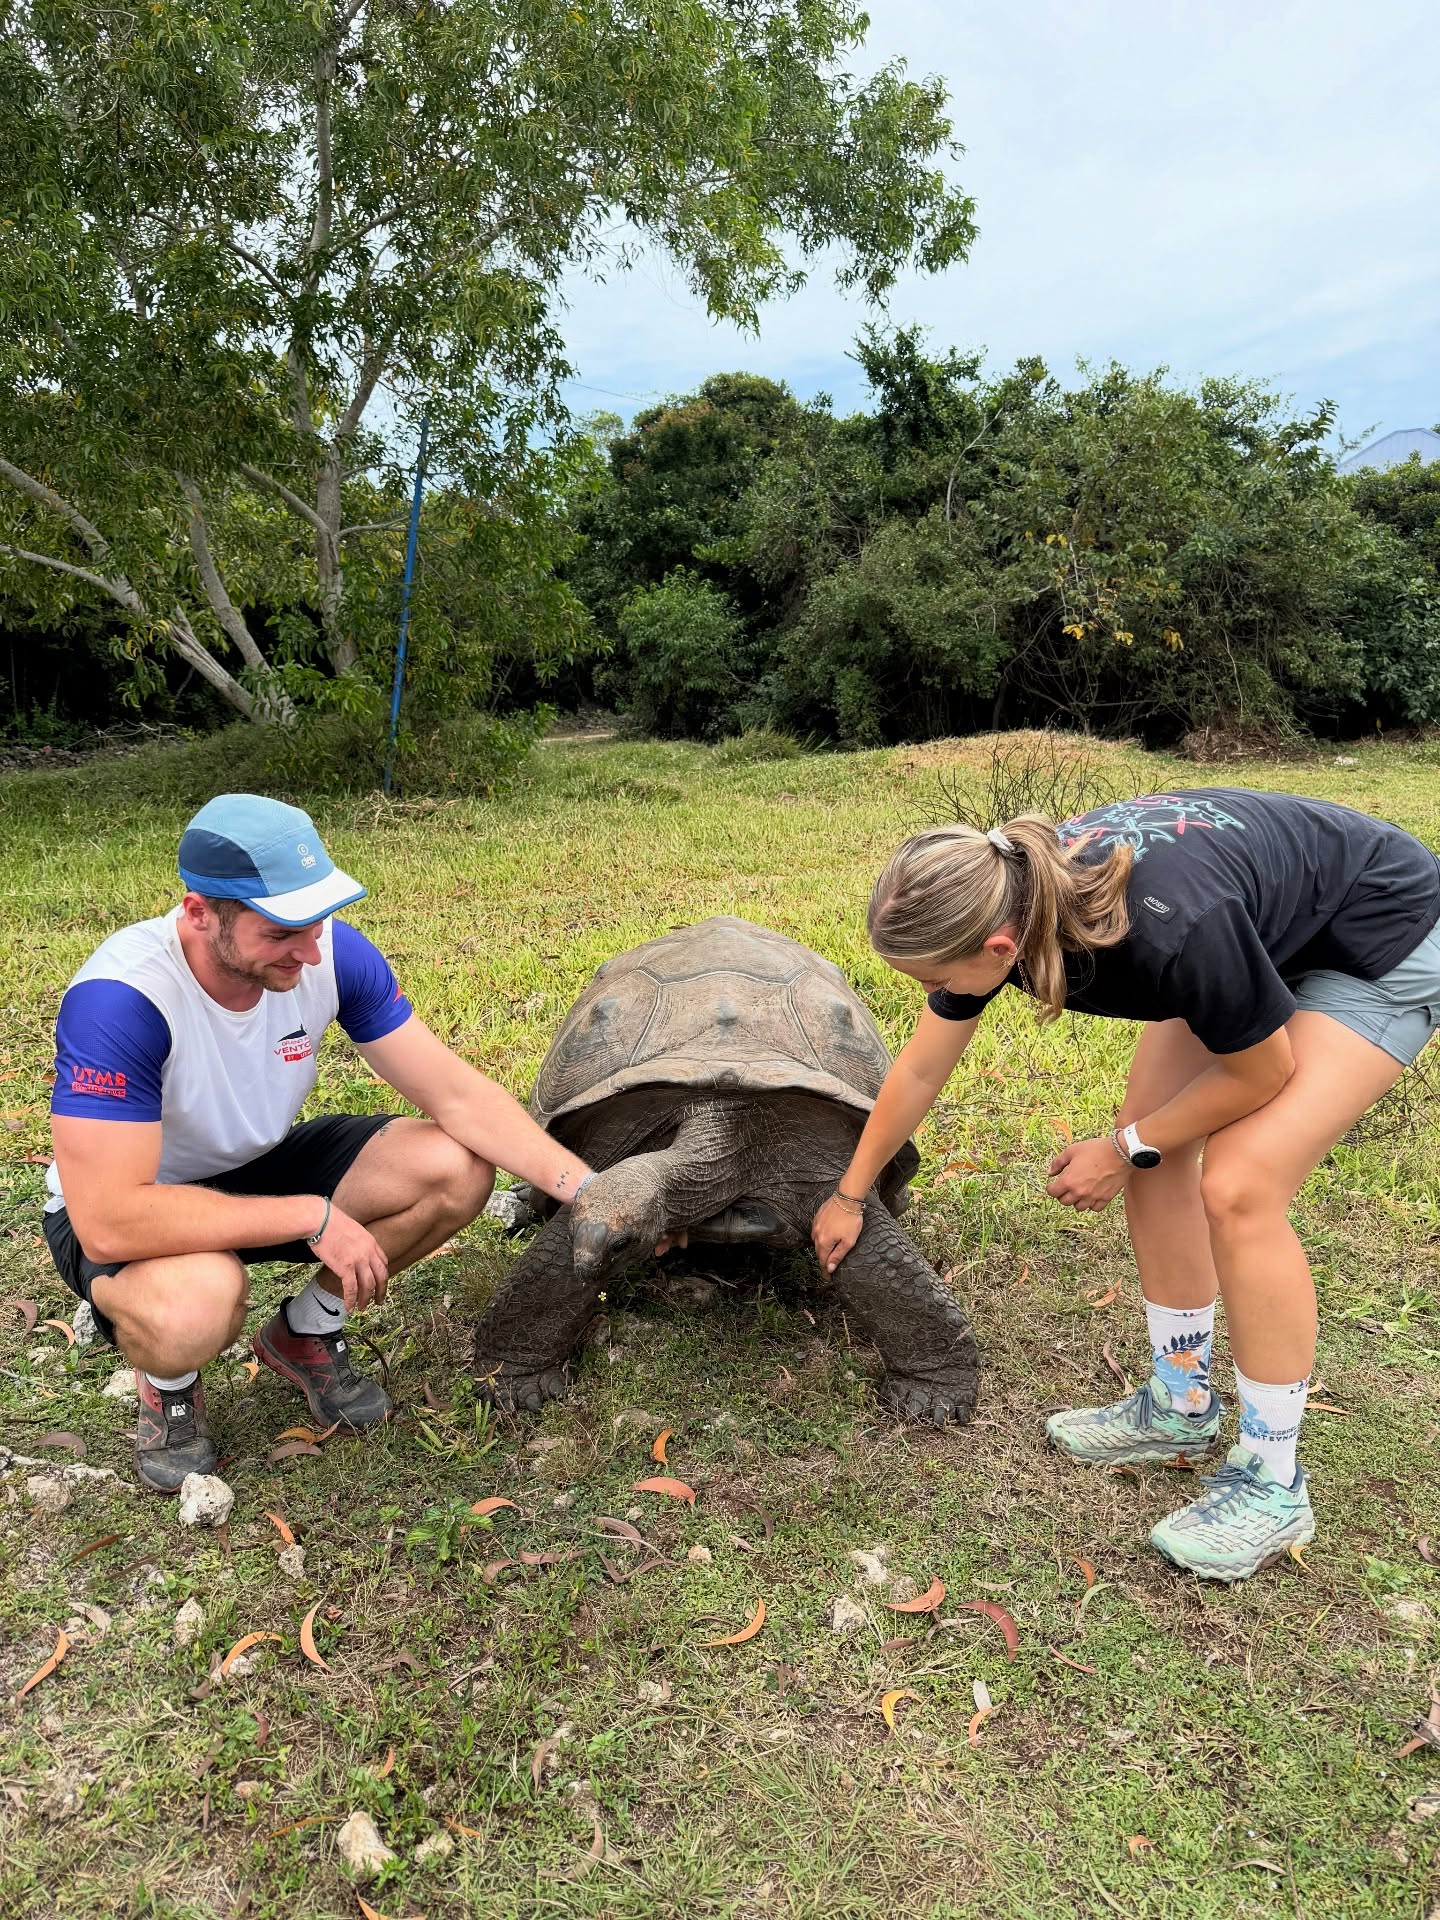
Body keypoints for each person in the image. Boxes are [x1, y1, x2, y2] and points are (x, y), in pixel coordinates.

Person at [811, 789, 1440, 1583]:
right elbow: (923, 1065)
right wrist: (850, 1193)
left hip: (1377, 934)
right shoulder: (1003, 892)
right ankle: (1181, 1404)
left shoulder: (1169, 929)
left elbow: (1263, 1072)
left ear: (1002, 947)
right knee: (1154, 1146)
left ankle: (1272, 1481)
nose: (932, 990)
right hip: (1256, 928)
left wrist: (1122, 1147)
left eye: (935, 975)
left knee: (1239, 1187)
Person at [45, 793, 611, 1493]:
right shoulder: (121, 1000)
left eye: (317, 921)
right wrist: (309, 1217)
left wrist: (597, 1195)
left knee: (456, 1167)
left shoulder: (329, 954)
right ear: (198, 912)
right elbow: (108, 1221)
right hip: (133, 1207)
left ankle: (306, 1332)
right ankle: (171, 1390)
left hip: (255, 1165)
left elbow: (458, 1097)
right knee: (199, 1300)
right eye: (283, 929)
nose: (310, 950)